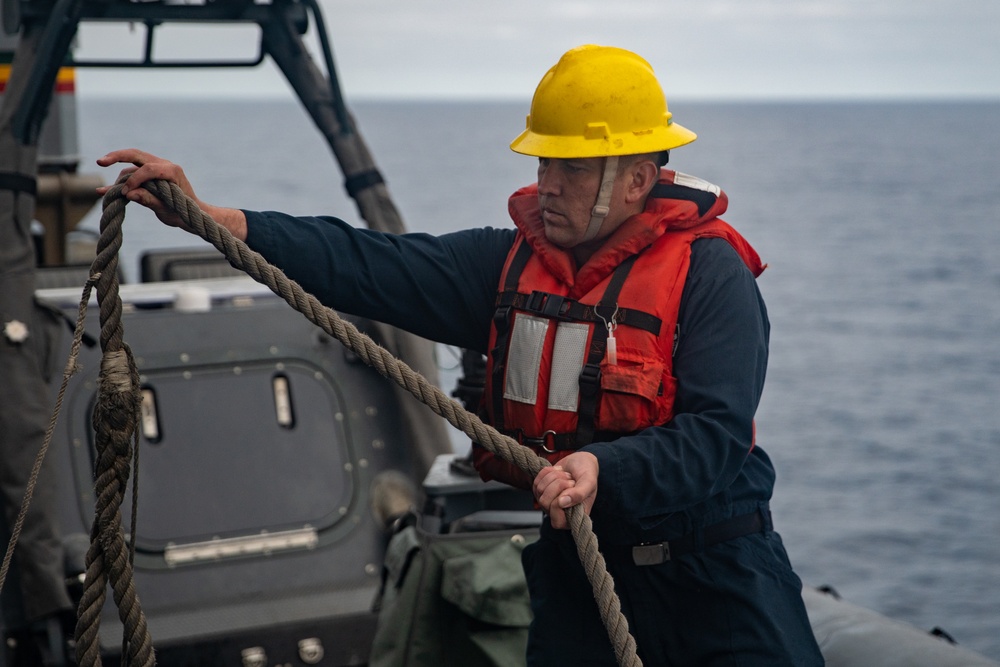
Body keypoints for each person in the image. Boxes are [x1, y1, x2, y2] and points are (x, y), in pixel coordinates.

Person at [98, 45, 824, 666]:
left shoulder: (710, 277)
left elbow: (715, 436)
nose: (547, 182)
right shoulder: (505, 267)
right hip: (584, 584)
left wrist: (605, 467)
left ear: (637, 179)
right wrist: (220, 221)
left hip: (716, 578)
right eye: (545, 161)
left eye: (571, 168)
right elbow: (368, 262)